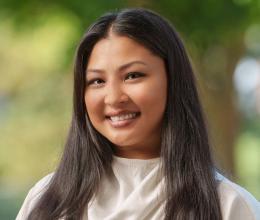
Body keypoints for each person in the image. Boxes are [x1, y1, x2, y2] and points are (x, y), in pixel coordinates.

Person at [16, 8, 260, 220]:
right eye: (97, 81)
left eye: (133, 75)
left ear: (173, 80)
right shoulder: (46, 200)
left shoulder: (228, 206)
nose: (113, 98)